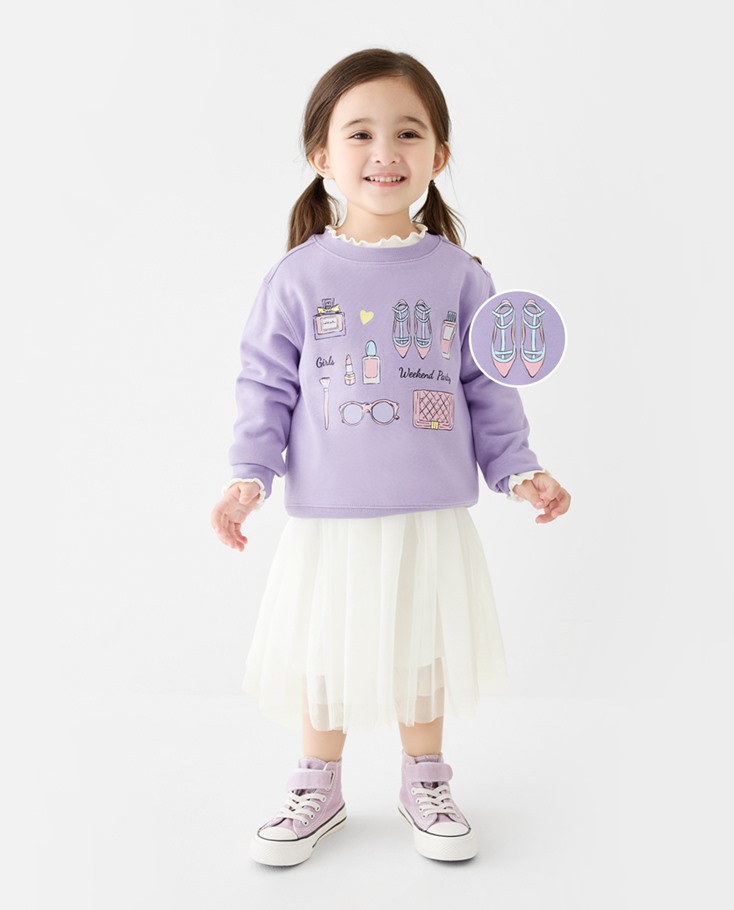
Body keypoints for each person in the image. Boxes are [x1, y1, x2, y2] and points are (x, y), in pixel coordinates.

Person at [210, 48, 571, 867]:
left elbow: (488, 385)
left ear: (438, 156)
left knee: (421, 650)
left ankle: (425, 781)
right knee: (325, 650)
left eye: (408, 133)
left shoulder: (460, 277)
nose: (385, 152)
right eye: (360, 133)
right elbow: (264, 383)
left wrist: (520, 470)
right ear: (322, 156)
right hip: (330, 514)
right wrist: (247, 476)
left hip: (427, 508)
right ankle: (318, 785)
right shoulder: (296, 277)